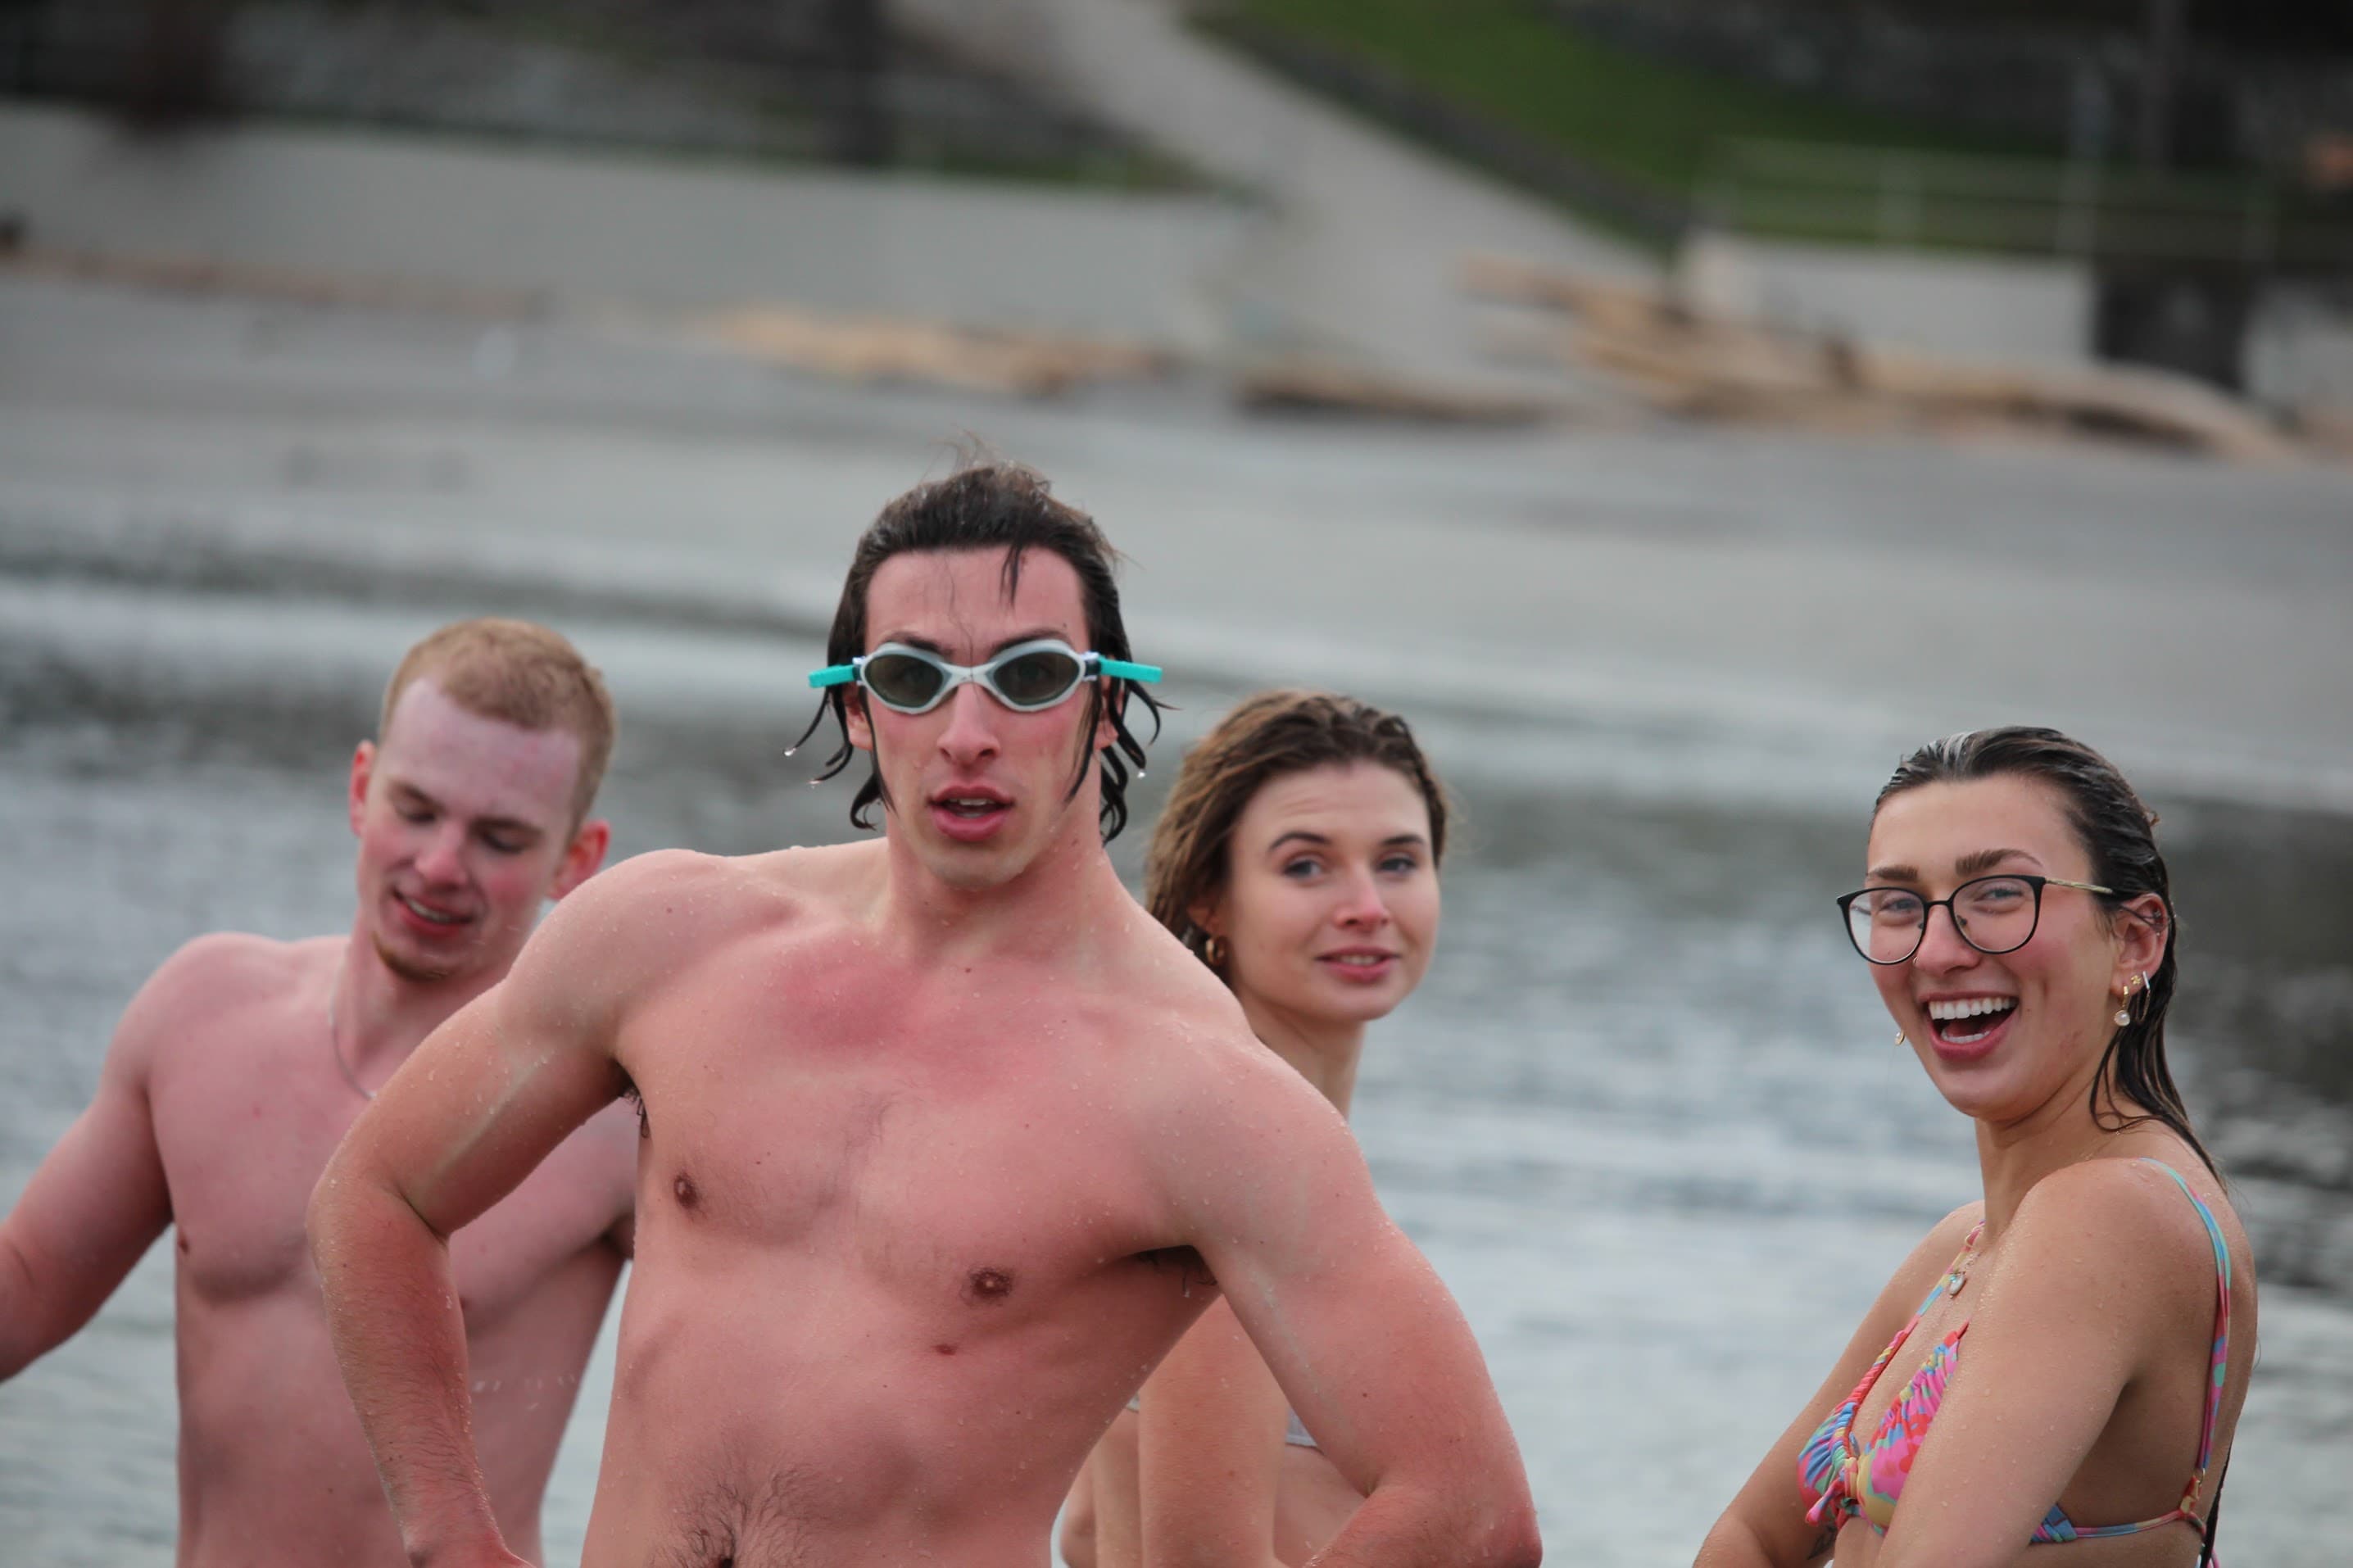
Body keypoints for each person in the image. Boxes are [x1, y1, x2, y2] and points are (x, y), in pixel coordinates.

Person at [307, 462, 1540, 1568]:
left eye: (1029, 676)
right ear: (856, 708)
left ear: (1105, 708)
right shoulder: (675, 940)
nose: (966, 733)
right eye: (912, 677)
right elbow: (377, 1197)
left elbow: (1469, 1507)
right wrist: (451, 1531)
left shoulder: (1197, 1090)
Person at [0, 618, 637, 1566]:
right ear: (359, 788)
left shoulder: (610, 1119)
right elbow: (29, 1285)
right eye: (416, 810)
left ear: (576, 861)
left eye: (499, 837)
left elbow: (738, 1412)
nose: (438, 866)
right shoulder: (201, 1017)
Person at [1695, 727, 2256, 1568]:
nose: (1936, 950)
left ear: (2136, 940)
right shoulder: (1959, 1249)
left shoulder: (2112, 1216)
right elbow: (1751, 1539)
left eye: (1996, 894)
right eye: (1896, 904)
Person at [1061, 690, 1453, 1568]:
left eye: (1398, 862)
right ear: (1211, 898)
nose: (1365, 905)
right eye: (1305, 867)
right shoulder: (1235, 1169)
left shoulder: (1186, 1126)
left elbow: (1086, 1530)